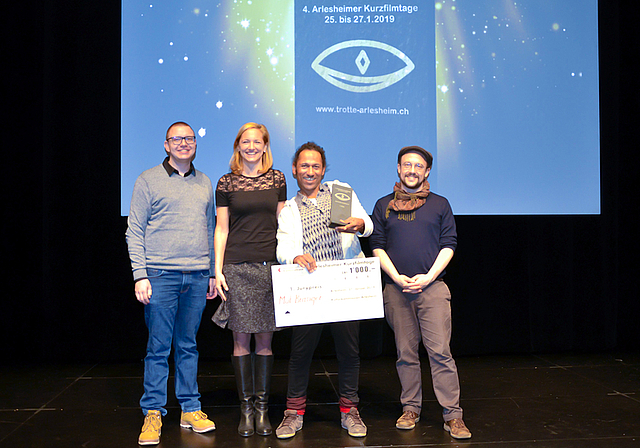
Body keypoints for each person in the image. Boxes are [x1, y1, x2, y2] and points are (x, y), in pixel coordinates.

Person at [370, 146, 471, 439]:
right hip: (396, 289)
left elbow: (449, 243)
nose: (411, 170)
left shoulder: (440, 204)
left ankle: (453, 415)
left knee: (440, 352)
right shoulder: (383, 205)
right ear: (398, 169)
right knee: (405, 354)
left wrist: (428, 277)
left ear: (427, 172)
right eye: (406, 165)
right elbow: (376, 244)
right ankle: (410, 408)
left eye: (418, 166)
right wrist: (396, 277)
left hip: (433, 289)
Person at [126, 122, 217, 446]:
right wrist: (140, 275)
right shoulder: (147, 179)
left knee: (188, 345)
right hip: (160, 276)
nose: (184, 143)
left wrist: (209, 273)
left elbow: (209, 231)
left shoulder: (205, 182)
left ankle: (190, 408)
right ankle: (152, 411)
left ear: (195, 144)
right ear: (166, 145)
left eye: (189, 138)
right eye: (177, 139)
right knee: (158, 348)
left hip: (195, 277)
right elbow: (134, 231)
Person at [274, 142, 373, 439]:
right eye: (304, 166)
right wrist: (293, 257)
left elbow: (366, 223)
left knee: (349, 350)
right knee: (301, 352)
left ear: (323, 169)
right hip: (311, 285)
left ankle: (349, 411)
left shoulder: (340, 192)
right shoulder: (290, 209)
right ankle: (293, 412)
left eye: (316, 166)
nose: (310, 171)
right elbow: (283, 247)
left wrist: (359, 225)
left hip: (344, 282)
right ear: (294, 170)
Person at [213, 122, 287, 437]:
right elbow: (221, 229)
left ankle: (263, 409)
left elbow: (284, 224)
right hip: (237, 268)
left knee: (266, 341)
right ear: (238, 146)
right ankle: (246, 410)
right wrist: (217, 270)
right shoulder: (226, 182)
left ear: (266, 145)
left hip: (270, 266)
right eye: (246, 141)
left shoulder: (279, 178)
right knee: (241, 339)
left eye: (257, 141)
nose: (252, 146)